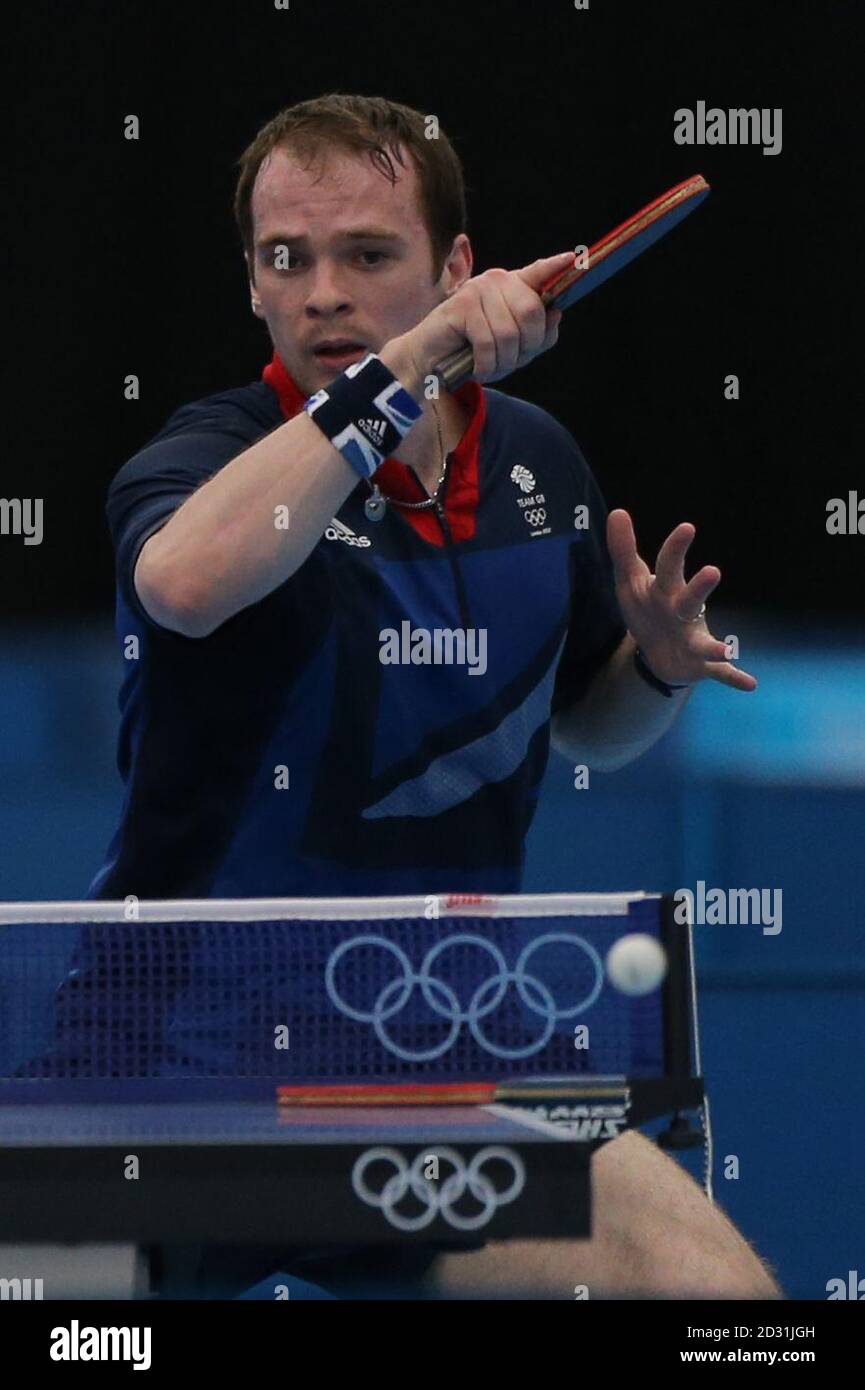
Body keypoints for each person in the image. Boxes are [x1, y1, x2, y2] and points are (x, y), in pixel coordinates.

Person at [91, 94, 776, 1298]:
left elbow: (586, 728)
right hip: (167, 1089)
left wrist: (655, 671)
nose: (321, 294)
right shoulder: (208, 458)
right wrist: (409, 362)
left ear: (454, 264)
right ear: (250, 282)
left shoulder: (537, 466)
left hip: (422, 1084)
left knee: (707, 1294)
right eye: (285, 258)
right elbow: (188, 585)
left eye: (367, 254)